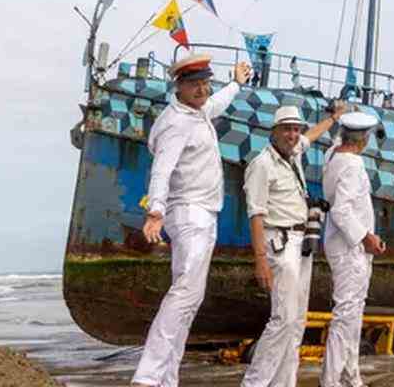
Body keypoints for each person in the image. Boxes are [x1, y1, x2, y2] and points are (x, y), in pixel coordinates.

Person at [131, 53, 251, 387]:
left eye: (204, 83)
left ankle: (167, 378)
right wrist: (155, 210)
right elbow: (162, 170)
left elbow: (216, 105)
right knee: (184, 293)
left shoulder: (197, 113)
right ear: (179, 87)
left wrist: (236, 85)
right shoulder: (176, 123)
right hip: (189, 213)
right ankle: (148, 376)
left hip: (203, 214)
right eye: (194, 84)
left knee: (190, 298)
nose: (201, 90)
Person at [241, 102, 345, 387]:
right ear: (274, 132)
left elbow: (310, 136)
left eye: (295, 129)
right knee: (282, 320)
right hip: (279, 245)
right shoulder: (262, 165)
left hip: (301, 244)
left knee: (297, 322)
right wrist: (260, 259)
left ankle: (284, 383)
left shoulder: (293, 152)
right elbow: (256, 215)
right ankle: (254, 383)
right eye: (286, 129)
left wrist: (333, 119)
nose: (292, 134)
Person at [320, 111, 385, 387]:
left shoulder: (332, 155)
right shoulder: (353, 165)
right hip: (350, 248)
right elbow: (341, 210)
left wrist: (338, 118)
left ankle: (350, 375)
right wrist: (366, 237)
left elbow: (337, 141)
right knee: (346, 312)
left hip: (342, 245)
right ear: (363, 139)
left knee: (354, 310)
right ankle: (331, 380)